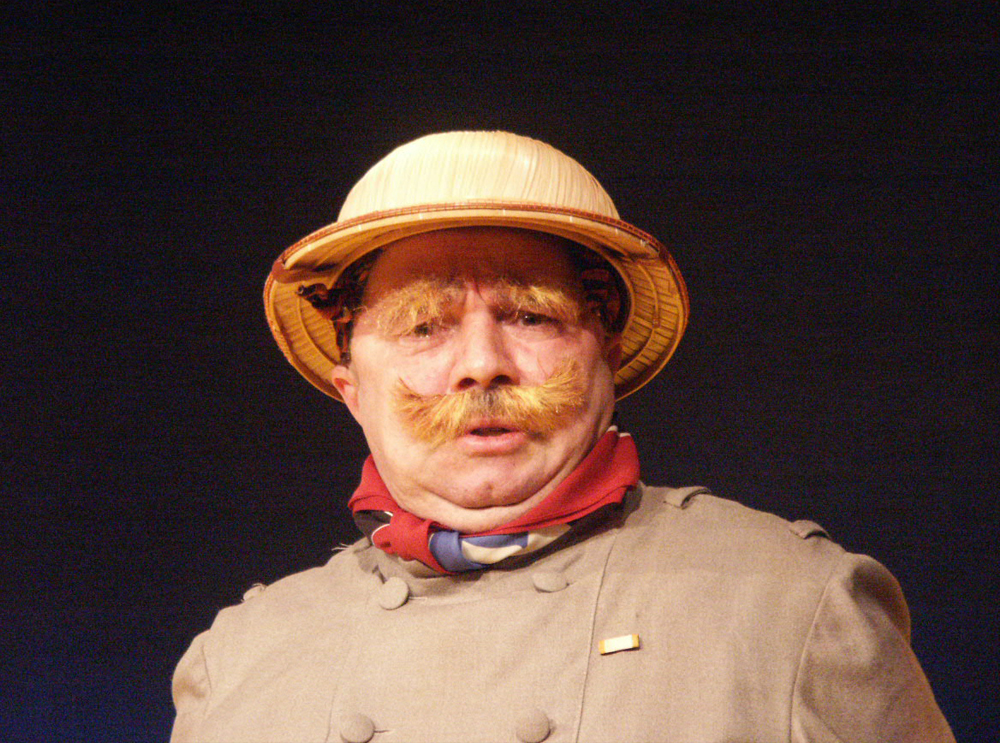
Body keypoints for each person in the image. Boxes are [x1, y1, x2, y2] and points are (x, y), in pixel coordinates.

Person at [170, 131, 954, 742]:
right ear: (353, 390)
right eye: (424, 325)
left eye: (529, 315)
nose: (481, 363)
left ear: (606, 355)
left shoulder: (794, 608)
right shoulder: (238, 664)